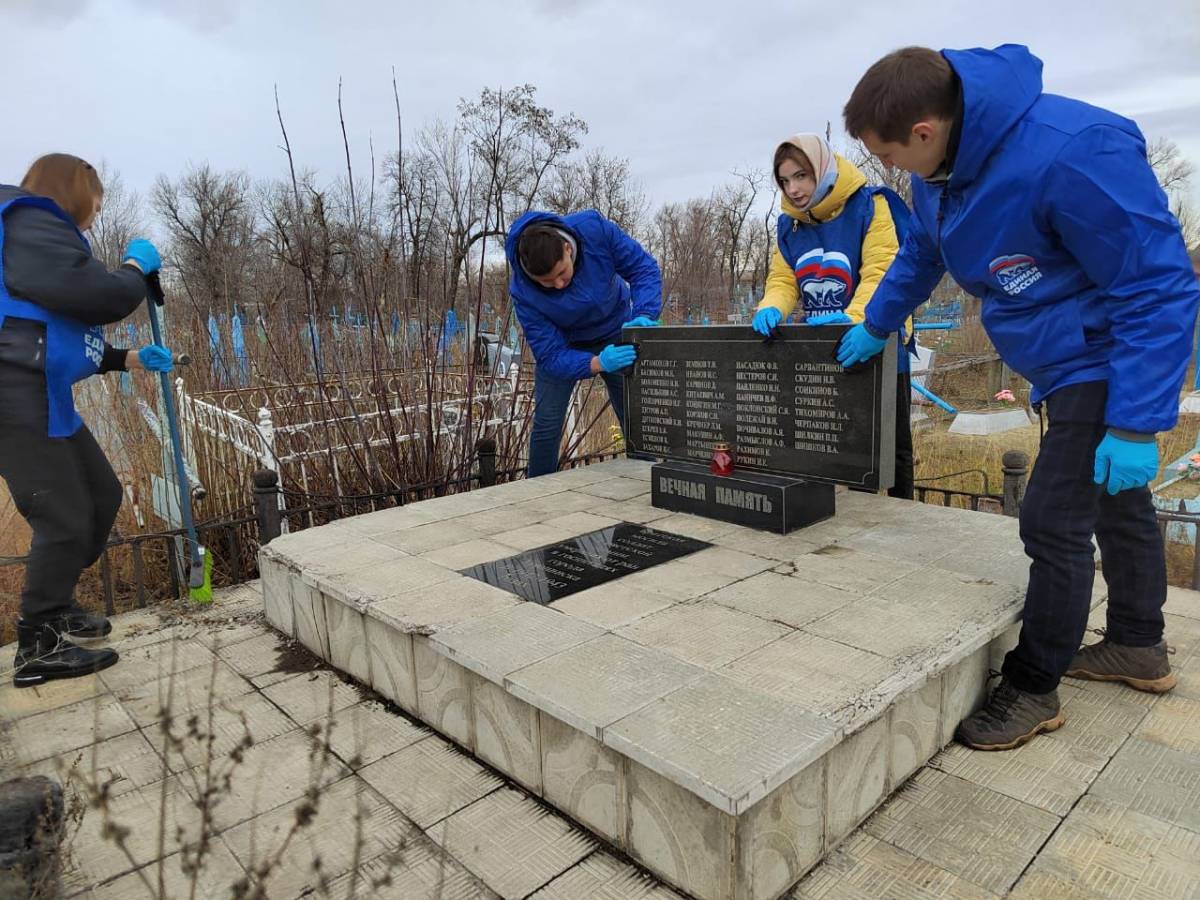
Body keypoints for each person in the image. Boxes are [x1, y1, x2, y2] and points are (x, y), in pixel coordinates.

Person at [838, 45, 1200, 750]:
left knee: (1052, 522)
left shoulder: (1073, 153)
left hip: (1103, 359)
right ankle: (1138, 644)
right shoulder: (941, 173)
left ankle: (1034, 687)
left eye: (893, 157)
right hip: (1057, 361)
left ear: (924, 130)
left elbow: (1156, 284)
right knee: (1117, 507)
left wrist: (1133, 422)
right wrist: (876, 322)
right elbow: (922, 253)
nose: (895, 173)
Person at [2, 153, 173, 687]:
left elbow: (52, 329)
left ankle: (56, 604)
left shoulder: (31, 237)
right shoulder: (28, 223)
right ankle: (39, 644)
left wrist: (129, 359)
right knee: (66, 515)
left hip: (39, 391)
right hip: (14, 396)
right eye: (94, 205)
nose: (95, 217)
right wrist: (134, 269)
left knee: (101, 496)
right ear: (75, 193)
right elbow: (98, 298)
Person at [751, 133, 915, 499]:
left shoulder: (870, 205)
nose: (793, 189)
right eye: (785, 180)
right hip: (822, 350)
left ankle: (903, 527)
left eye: (801, 176)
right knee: (831, 445)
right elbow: (783, 277)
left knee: (890, 448)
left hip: (876, 339)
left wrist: (857, 319)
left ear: (822, 170)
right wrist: (772, 306)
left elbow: (883, 271)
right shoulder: (789, 225)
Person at [506, 210, 662, 477]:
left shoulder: (594, 231)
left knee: (633, 410)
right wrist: (597, 362)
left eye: (562, 273)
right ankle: (536, 490)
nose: (557, 285)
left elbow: (642, 269)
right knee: (547, 422)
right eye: (546, 282)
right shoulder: (522, 290)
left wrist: (643, 316)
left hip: (616, 330)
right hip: (565, 345)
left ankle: (647, 477)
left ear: (568, 248)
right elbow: (551, 354)